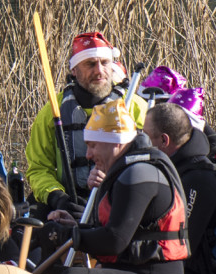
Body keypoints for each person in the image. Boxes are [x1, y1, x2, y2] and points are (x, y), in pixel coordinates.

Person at [42, 102, 190, 274]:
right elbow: (116, 232)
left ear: (115, 143)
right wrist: (73, 227)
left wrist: (67, 236)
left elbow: (114, 241)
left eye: (93, 145)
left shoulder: (139, 174)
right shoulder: (125, 171)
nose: (88, 155)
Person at [25, 31, 147, 212]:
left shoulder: (135, 107)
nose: (99, 71)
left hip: (119, 194)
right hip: (69, 199)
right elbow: (39, 169)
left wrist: (114, 178)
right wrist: (58, 198)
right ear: (74, 70)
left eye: (105, 63)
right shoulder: (51, 112)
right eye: (90, 64)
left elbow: (149, 161)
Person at [145, 99, 216, 274]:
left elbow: (181, 246)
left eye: (146, 137)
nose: (143, 143)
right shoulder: (176, 169)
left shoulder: (200, 180)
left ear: (164, 140)